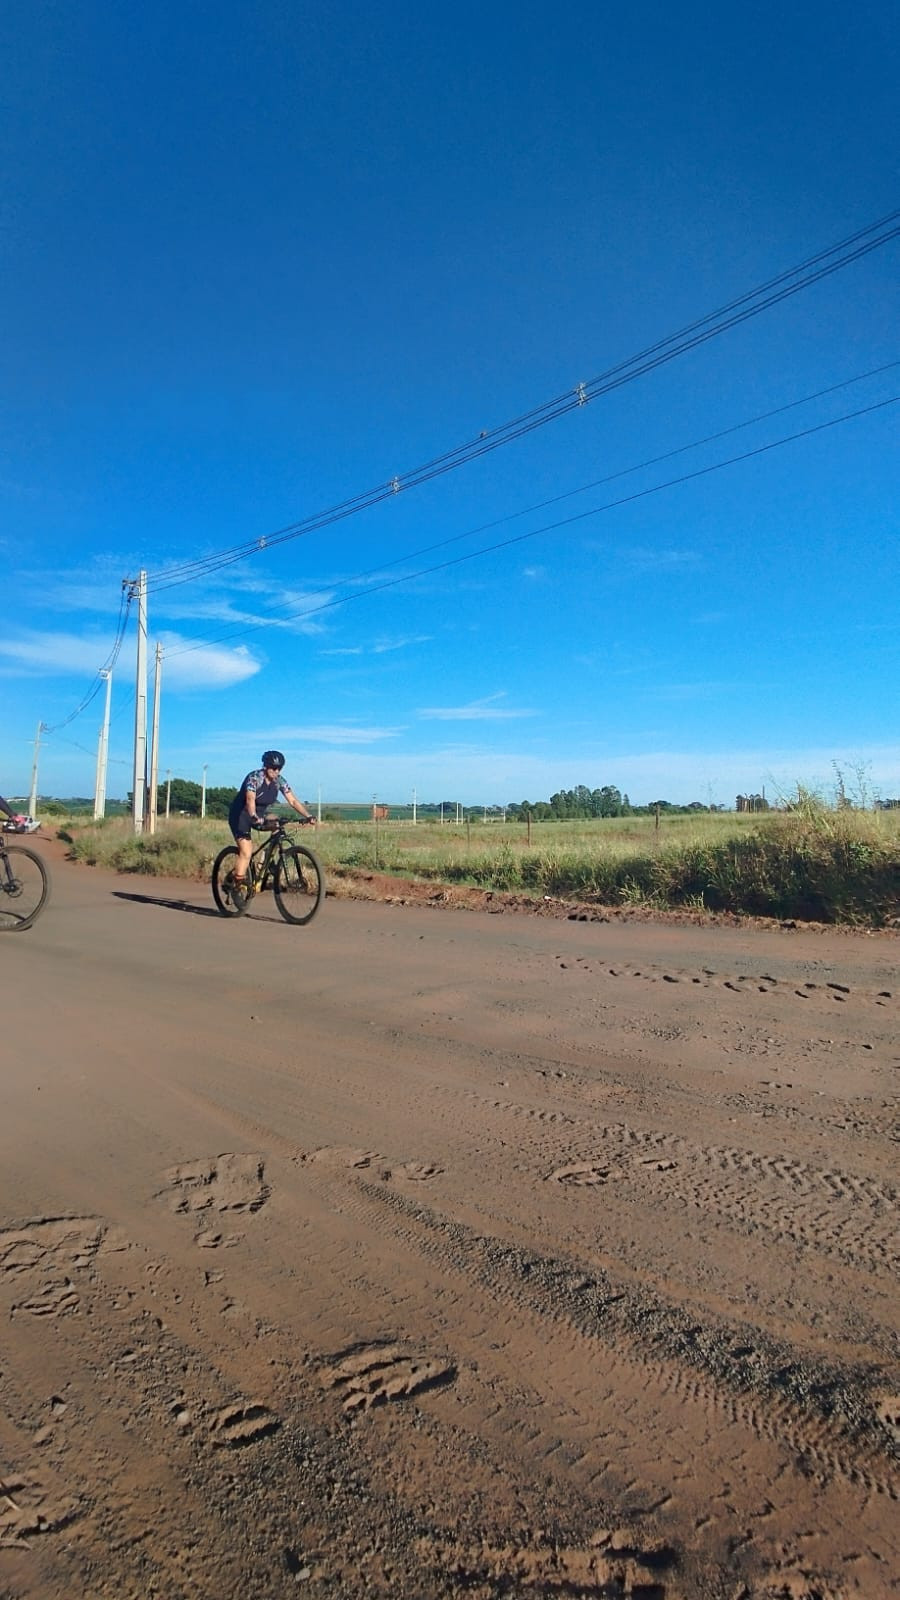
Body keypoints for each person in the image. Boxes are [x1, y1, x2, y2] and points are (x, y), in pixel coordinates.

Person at [228, 751, 315, 891]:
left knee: (277, 822)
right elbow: (250, 799)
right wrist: (254, 816)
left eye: (279, 768)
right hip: (241, 815)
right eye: (273, 768)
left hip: (260, 814)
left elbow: (292, 800)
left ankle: (268, 861)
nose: (276, 771)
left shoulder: (279, 781)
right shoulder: (254, 778)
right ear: (266, 766)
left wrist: (308, 815)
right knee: (246, 852)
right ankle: (235, 886)